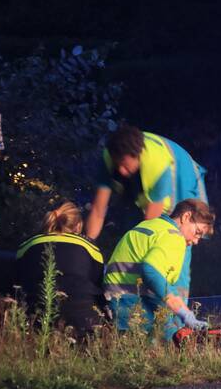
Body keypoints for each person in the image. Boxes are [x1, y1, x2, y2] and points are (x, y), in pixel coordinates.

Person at [85, 124, 208, 305]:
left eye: (126, 166)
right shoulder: (110, 156)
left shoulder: (157, 164)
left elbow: (151, 225)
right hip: (146, 190)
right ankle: (136, 305)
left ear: (138, 157)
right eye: (118, 164)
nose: (121, 171)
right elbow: (98, 209)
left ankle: (177, 316)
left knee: (177, 239)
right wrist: (87, 248)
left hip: (183, 178)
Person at [104, 198, 214, 339]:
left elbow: (165, 285)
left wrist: (187, 314)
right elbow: (151, 272)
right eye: (197, 232)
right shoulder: (173, 236)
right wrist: (182, 313)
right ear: (186, 217)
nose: (196, 240)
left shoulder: (151, 225)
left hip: (116, 300)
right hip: (133, 302)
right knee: (168, 341)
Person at [14, 202, 105, 339]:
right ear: (78, 225)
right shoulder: (89, 247)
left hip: (36, 317)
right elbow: (98, 282)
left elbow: (18, 281)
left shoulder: (27, 246)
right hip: (83, 320)